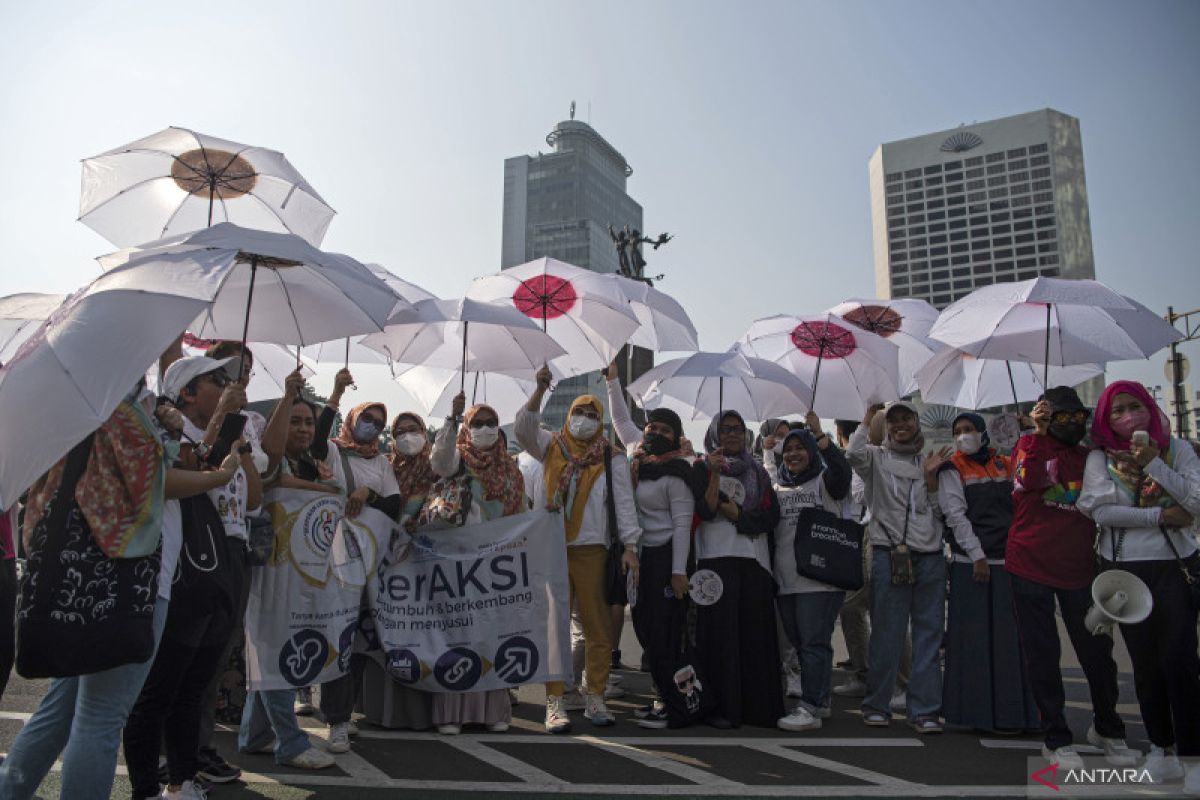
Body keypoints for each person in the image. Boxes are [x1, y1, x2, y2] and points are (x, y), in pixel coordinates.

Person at [0, 382, 192, 800]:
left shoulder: (71, 393)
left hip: (76, 577)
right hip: (122, 574)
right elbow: (148, 479)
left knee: (60, 711)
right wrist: (174, 436)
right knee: (101, 715)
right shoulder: (116, 398)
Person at [1007, 387, 1138, 770]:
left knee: (1098, 654)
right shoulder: (1028, 446)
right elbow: (1026, 481)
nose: (1071, 424)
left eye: (1077, 417)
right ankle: (1057, 738)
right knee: (1043, 655)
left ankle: (1109, 730)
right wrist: (1039, 433)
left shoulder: (1090, 457)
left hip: (1080, 569)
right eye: (1060, 417)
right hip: (1029, 564)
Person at [1078, 380, 1200, 789]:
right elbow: (1099, 511)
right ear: (1105, 419)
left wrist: (1153, 463)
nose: (1128, 415)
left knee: (1180, 662)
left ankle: (1193, 757)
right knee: (1145, 667)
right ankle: (1161, 749)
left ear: (1151, 407)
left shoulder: (1176, 449)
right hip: (1126, 570)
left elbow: (1196, 502)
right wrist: (1160, 517)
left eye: (1135, 406)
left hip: (1176, 566)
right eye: (1118, 410)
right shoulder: (1099, 458)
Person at [516, 365, 641, 733]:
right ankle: (555, 702)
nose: (585, 420)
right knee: (554, 629)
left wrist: (630, 546)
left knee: (598, 627)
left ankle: (596, 695)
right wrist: (539, 390)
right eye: (579, 413)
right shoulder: (550, 445)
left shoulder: (611, 457)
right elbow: (523, 428)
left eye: (592, 415)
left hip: (592, 551)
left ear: (600, 421)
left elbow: (624, 502)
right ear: (568, 417)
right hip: (552, 548)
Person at [421, 395, 527, 734]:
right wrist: (451, 418)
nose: (484, 429)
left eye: (490, 422)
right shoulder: (459, 460)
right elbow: (437, 461)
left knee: (491, 635)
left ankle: (492, 711)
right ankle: (452, 712)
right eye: (477, 423)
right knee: (457, 634)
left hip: (496, 566)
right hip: (459, 562)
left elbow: (521, 515)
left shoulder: (510, 468)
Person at [847, 401, 949, 733]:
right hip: (888, 552)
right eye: (894, 421)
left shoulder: (929, 460)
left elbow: (940, 512)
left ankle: (925, 711)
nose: (901, 425)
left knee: (928, 636)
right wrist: (866, 418)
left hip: (930, 556)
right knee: (887, 635)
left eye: (907, 418)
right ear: (886, 427)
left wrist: (932, 480)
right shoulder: (875, 457)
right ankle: (877, 704)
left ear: (918, 423)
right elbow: (852, 454)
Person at [938, 412, 1038, 733]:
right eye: (958, 431)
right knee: (974, 644)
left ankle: (1013, 715)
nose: (963, 435)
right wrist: (977, 555)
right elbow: (955, 515)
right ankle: (973, 715)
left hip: (1010, 562)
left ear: (983, 432)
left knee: (1011, 643)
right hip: (974, 566)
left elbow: (1024, 503)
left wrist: (1030, 434)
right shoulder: (952, 467)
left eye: (969, 429)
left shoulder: (1005, 463)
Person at [605, 369, 694, 729]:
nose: (655, 433)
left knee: (664, 636)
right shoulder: (636, 456)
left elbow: (683, 525)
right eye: (652, 428)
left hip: (666, 557)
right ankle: (661, 694)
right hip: (638, 558)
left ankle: (674, 706)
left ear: (676, 438)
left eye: (664, 430)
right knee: (643, 629)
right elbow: (620, 419)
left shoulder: (678, 471)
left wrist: (678, 573)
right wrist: (612, 380)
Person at [317, 393, 403, 753]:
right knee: (338, 635)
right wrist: (334, 394)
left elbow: (394, 504)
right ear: (352, 418)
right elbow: (318, 437)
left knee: (361, 640)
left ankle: (345, 712)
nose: (373, 426)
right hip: (333, 559)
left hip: (370, 562)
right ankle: (335, 719)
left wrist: (367, 493)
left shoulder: (381, 461)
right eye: (367, 417)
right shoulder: (334, 452)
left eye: (379, 424)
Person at [687, 410, 784, 729]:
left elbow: (770, 518)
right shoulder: (700, 468)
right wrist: (715, 475)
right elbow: (703, 509)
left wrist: (738, 515)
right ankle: (722, 708)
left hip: (753, 562)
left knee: (754, 637)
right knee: (719, 638)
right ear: (714, 433)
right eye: (725, 429)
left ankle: (758, 709)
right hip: (715, 560)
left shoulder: (758, 471)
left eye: (738, 429)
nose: (732, 435)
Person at [772, 418, 853, 732]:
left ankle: (810, 705)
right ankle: (820, 700)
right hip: (785, 578)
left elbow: (842, 471)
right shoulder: (777, 485)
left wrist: (821, 437)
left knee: (813, 642)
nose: (793, 454)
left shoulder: (825, 481)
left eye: (799, 448)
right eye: (788, 449)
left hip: (819, 579)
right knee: (801, 642)